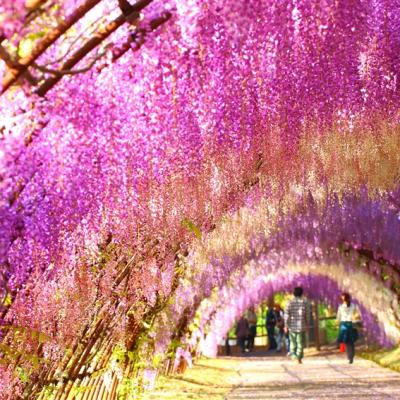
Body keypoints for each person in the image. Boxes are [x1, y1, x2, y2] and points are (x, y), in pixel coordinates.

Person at [284, 286, 311, 364]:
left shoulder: (289, 302)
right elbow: (307, 314)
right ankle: (299, 357)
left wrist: (286, 325)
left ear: (294, 293)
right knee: (300, 342)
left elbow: (286, 315)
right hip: (301, 325)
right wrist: (307, 324)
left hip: (292, 326)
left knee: (292, 342)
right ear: (301, 293)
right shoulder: (304, 302)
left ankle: (294, 356)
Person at [337, 292, 360, 364]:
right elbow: (357, 315)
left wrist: (337, 324)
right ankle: (351, 357)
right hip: (351, 324)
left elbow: (338, 317)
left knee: (346, 342)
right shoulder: (354, 306)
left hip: (344, 324)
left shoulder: (340, 307)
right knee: (351, 342)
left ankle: (349, 356)